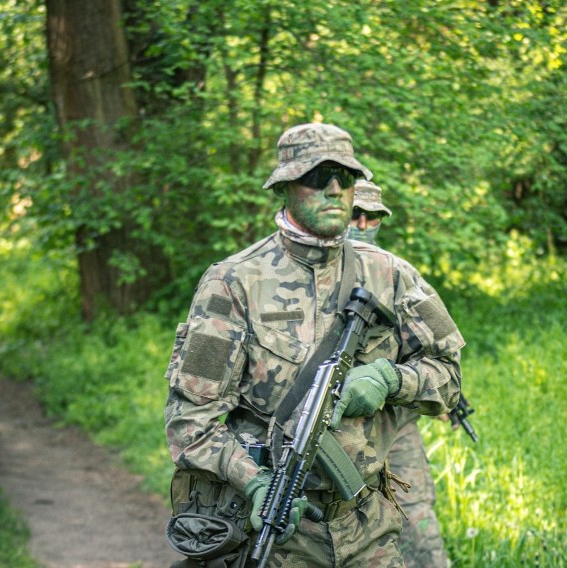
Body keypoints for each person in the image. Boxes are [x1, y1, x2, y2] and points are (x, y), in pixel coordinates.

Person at [163, 123, 465, 568]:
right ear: (285, 185)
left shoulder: (392, 275)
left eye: (345, 177)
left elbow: (450, 376)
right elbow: (190, 420)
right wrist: (253, 484)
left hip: (368, 530)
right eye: (318, 176)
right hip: (278, 532)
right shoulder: (233, 283)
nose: (335, 189)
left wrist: (390, 378)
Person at [348, 180, 449, 568]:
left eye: (372, 216)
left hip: (393, 425)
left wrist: (401, 382)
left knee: (417, 522)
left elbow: (438, 358)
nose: (363, 223)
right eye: (356, 213)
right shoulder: (307, 278)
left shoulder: (397, 276)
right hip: (329, 428)